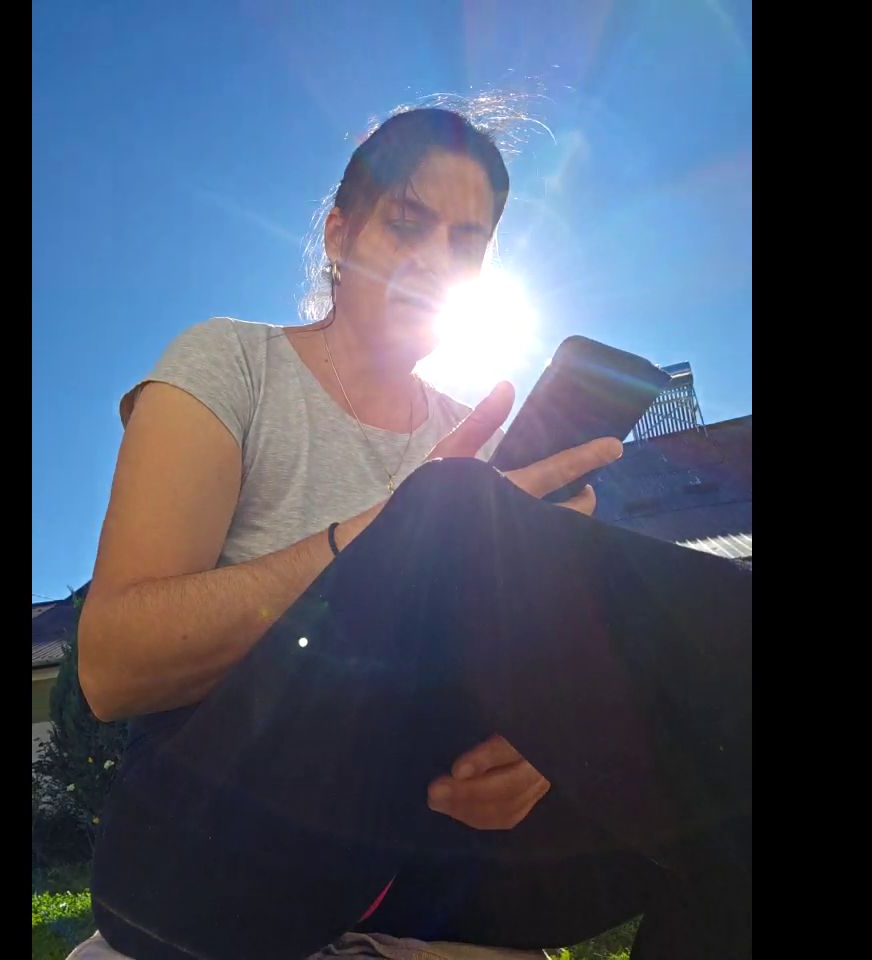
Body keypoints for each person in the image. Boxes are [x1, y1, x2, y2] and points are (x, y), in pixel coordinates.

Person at [79, 105, 752, 960]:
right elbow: (111, 666)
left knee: (724, 791)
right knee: (452, 507)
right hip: (200, 848)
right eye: (406, 223)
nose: (437, 261)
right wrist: (401, 525)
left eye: (467, 244)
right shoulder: (233, 362)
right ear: (338, 234)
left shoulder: (474, 437)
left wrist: (545, 743)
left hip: (429, 856)